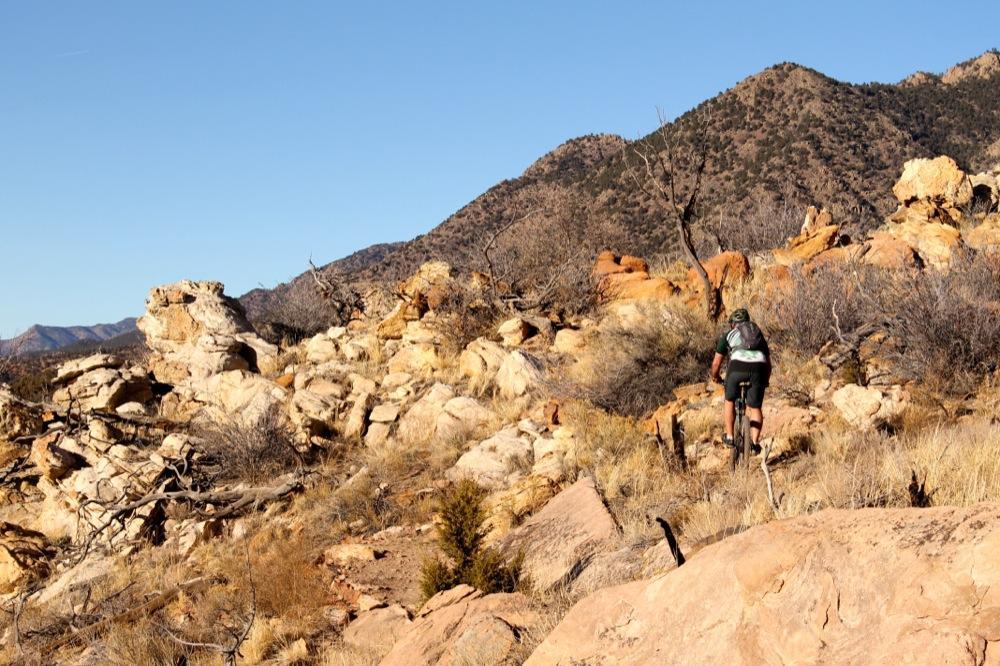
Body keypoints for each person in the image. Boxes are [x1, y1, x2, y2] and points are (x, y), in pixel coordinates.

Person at [709, 308, 771, 452]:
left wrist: (715, 377)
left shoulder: (728, 335)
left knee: (729, 400)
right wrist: (764, 381)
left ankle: (730, 436)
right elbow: (768, 364)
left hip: (737, 366)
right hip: (758, 368)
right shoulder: (757, 333)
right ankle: (754, 443)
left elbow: (716, 364)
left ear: (733, 324)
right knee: (755, 407)